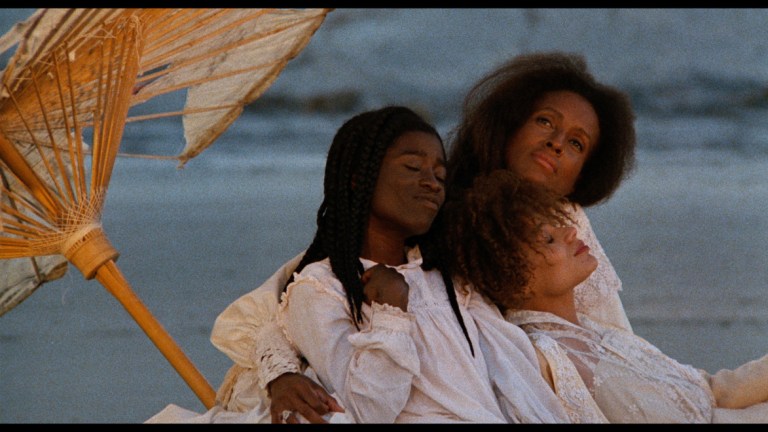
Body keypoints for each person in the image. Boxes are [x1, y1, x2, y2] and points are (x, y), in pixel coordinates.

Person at [209, 51, 637, 421]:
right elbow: (278, 306)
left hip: (562, 387)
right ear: (508, 124)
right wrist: (280, 373)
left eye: (577, 144)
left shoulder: (568, 222)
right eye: (544, 121)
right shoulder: (435, 226)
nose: (557, 144)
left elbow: (611, 338)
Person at [148, 106, 567, 423]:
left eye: (441, 175)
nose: (432, 182)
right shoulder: (321, 287)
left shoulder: (447, 278)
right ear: (357, 178)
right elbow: (369, 408)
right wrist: (389, 315)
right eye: (412, 167)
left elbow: (510, 378)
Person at [445, 169, 768, 423]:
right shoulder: (539, 358)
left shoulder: (599, 331)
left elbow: (709, 392)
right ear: (512, 276)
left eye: (557, 225)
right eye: (547, 239)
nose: (572, 231)